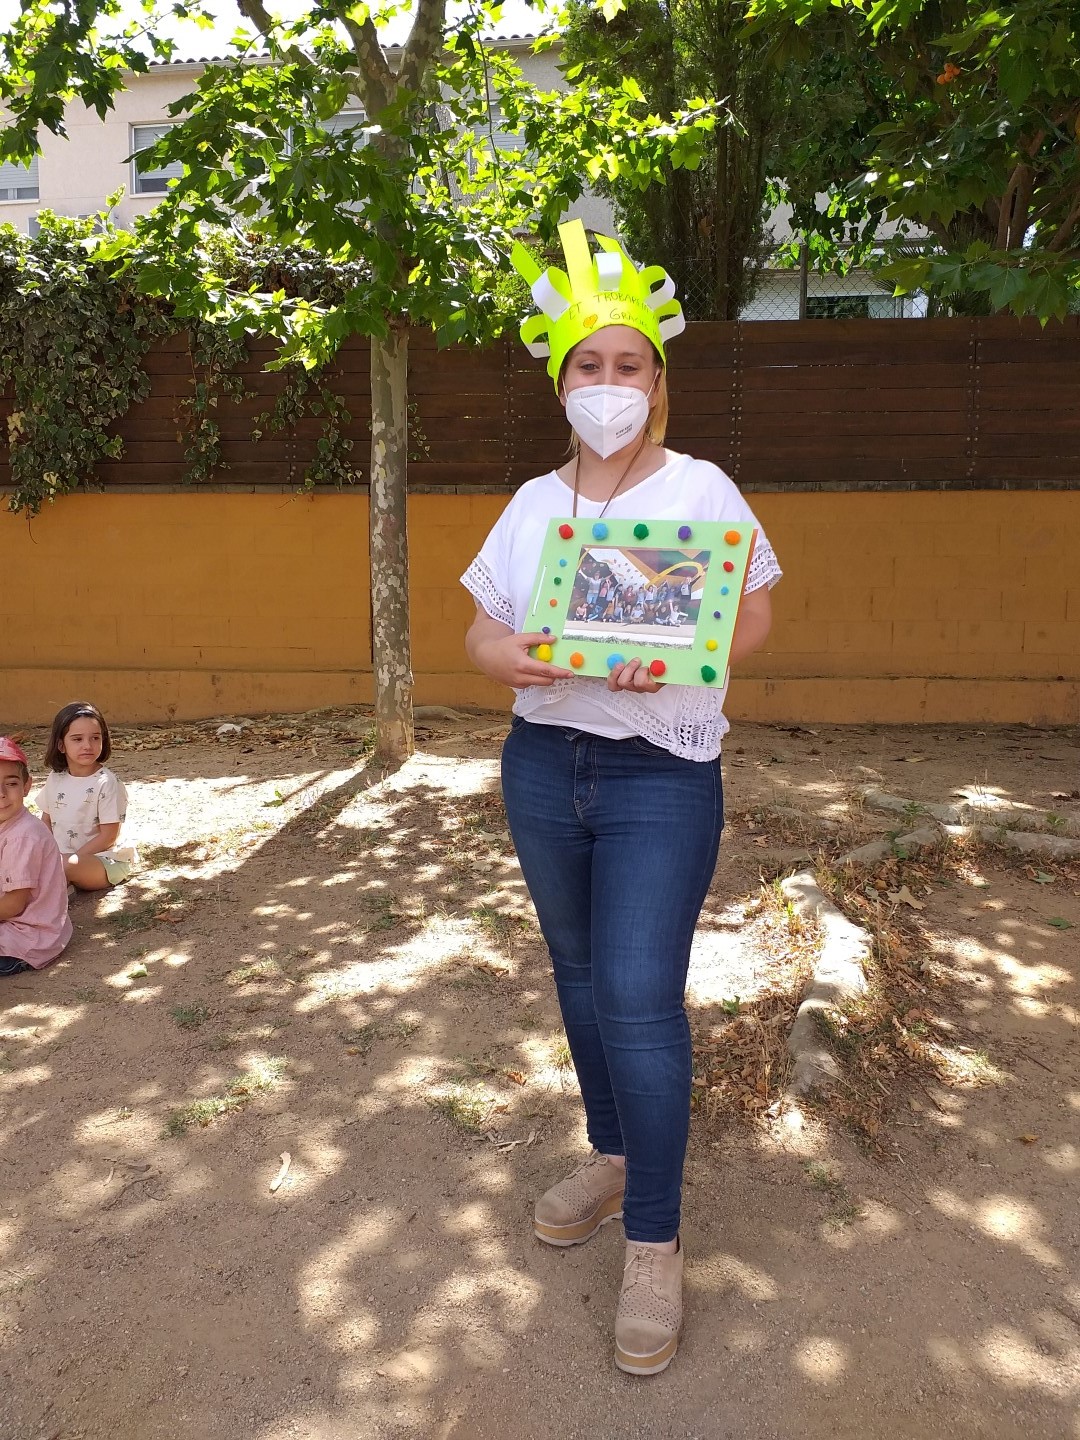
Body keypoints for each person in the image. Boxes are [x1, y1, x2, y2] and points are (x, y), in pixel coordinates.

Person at [461, 221, 781, 1376]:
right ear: (561, 382)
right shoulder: (530, 503)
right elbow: (481, 633)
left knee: (640, 997)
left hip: (661, 768)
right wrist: (511, 659)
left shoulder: (702, 489)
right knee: (579, 974)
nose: (609, 384)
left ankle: (655, 1241)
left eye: (629, 364)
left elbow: (753, 615)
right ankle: (612, 1155)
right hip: (545, 765)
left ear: (658, 378)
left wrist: (683, 652)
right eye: (588, 365)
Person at [38, 702, 135, 892]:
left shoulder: (106, 782)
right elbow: (46, 821)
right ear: (61, 745)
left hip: (101, 861)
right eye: (77, 739)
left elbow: (108, 836)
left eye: (95, 738)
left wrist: (67, 859)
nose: (87, 746)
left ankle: (57, 884)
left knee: (65, 866)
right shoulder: (55, 778)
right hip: (60, 858)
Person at [0, 737, 72, 976]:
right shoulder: (8, 824)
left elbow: (13, 905)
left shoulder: (22, 837)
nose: (1, 794)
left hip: (26, 939)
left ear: (26, 785)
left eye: (11, 783)